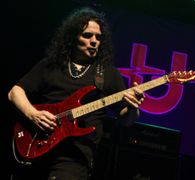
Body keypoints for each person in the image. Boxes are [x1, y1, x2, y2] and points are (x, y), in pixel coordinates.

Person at [8, 6, 145, 180]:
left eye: (98, 37)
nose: (94, 41)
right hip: (36, 145)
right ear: (72, 38)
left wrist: (133, 108)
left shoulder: (108, 74)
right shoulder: (51, 65)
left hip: (74, 157)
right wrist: (33, 114)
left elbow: (125, 121)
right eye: (87, 35)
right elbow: (15, 92)